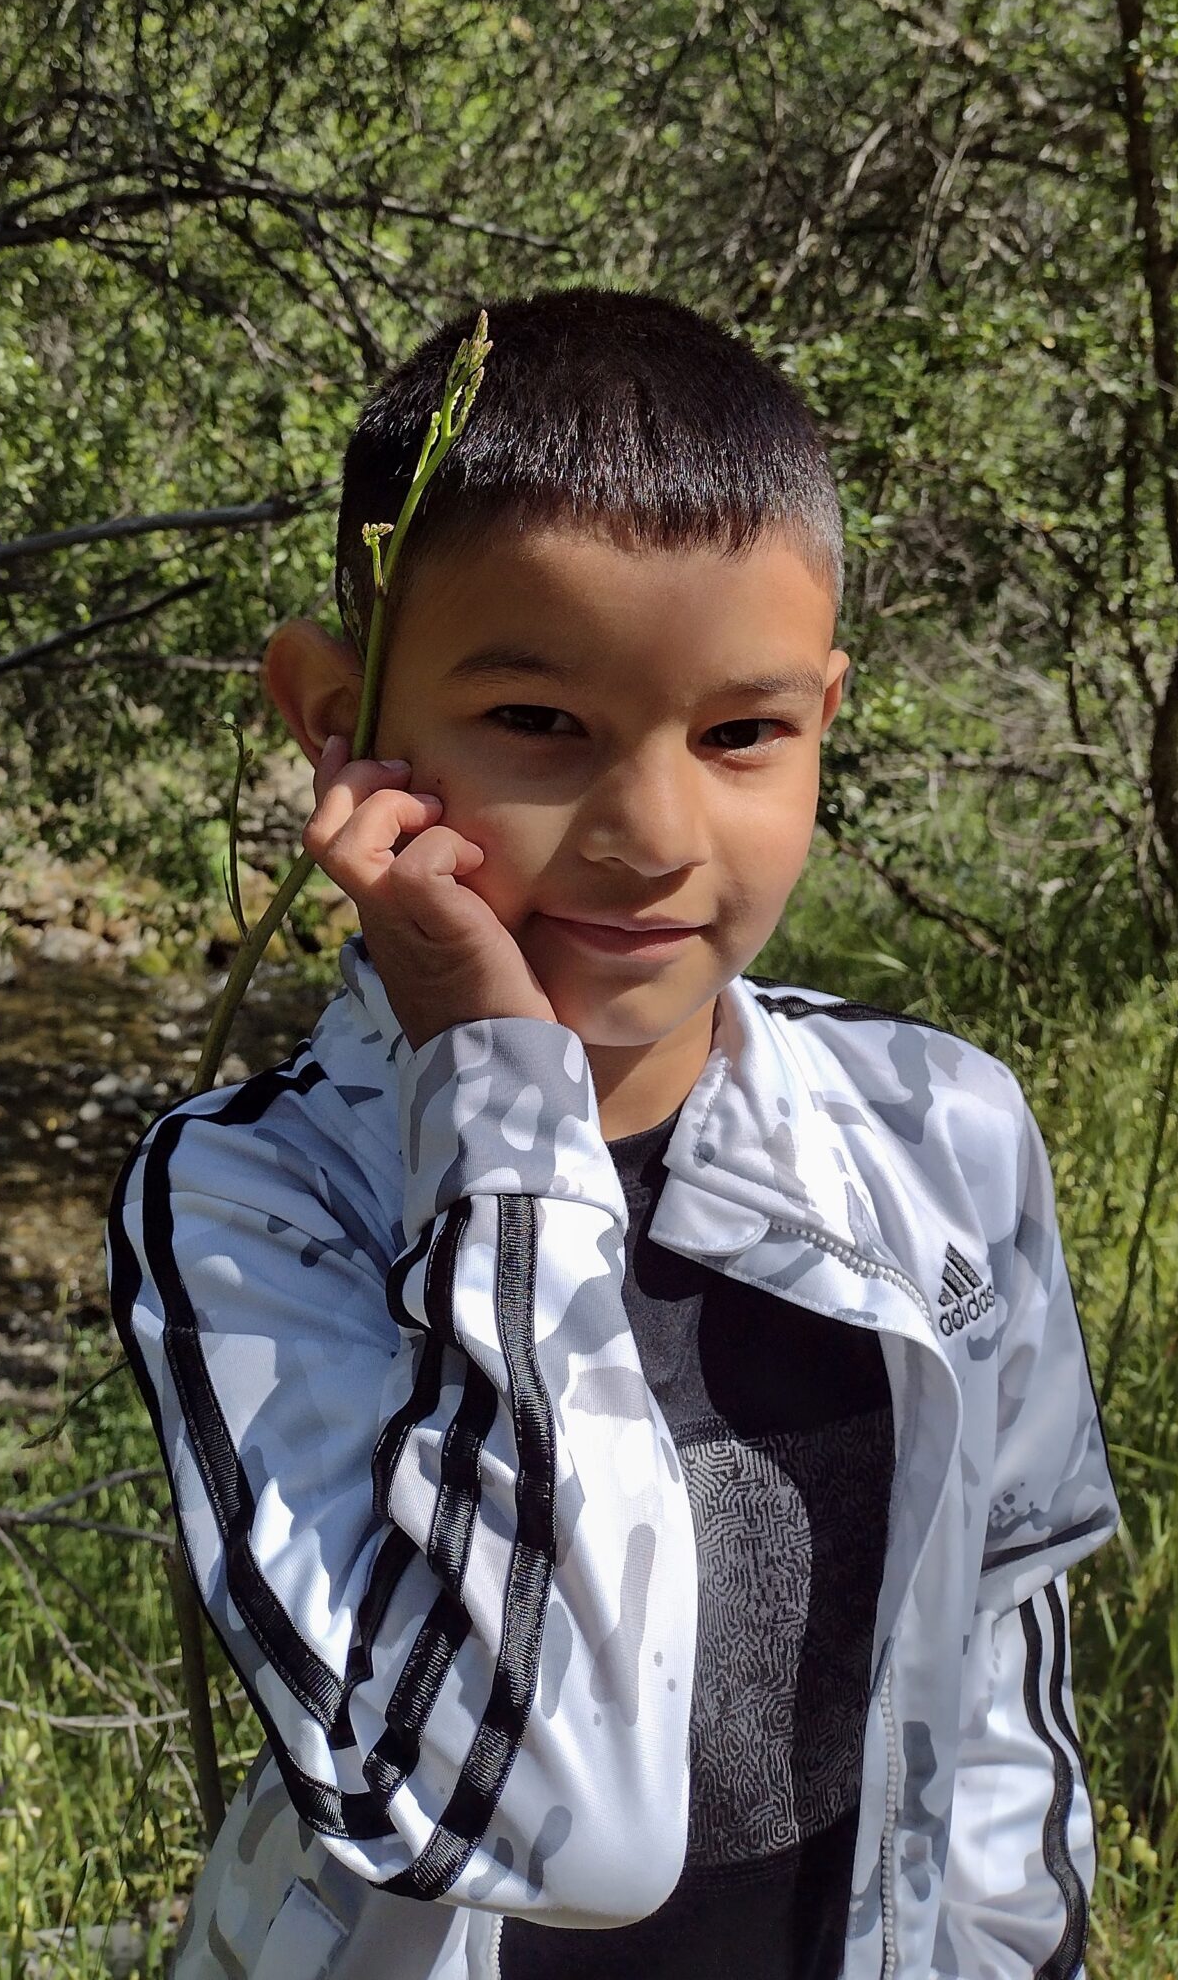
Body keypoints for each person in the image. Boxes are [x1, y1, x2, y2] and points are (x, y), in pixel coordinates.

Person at [105, 290, 1118, 1980]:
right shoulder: (256, 1204)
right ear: (335, 723)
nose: (653, 835)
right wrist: (502, 1096)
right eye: (540, 726)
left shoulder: (943, 1134)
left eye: (741, 733)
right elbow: (535, 1819)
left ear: (825, 716)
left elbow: (1004, 1668)